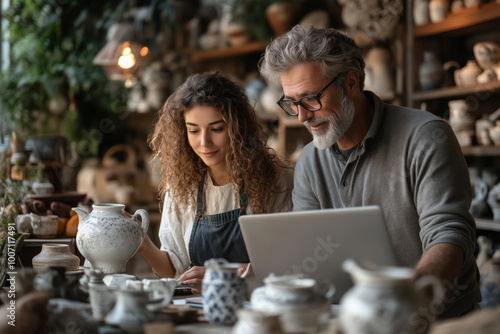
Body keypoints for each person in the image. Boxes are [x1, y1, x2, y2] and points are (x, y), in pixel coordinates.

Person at [259, 25, 480, 319]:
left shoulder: (426, 137)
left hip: (440, 320)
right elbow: (311, 255)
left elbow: (448, 236)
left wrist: (405, 302)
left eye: (311, 99)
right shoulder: (311, 159)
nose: (301, 116)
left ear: (351, 82)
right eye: (292, 103)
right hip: (354, 318)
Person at [138, 71, 292, 292]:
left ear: (238, 127)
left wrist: (220, 275)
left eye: (217, 129)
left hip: (257, 308)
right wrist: (142, 245)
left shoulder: (275, 180)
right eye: (193, 131)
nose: (204, 143)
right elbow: (174, 270)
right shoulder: (182, 186)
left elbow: (287, 264)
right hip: (198, 310)